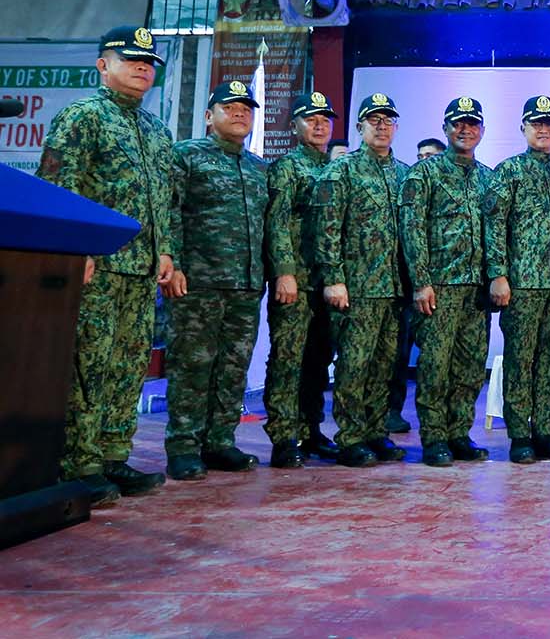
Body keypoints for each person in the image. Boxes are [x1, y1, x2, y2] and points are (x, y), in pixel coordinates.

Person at [37, 25, 175, 505]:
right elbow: (57, 189)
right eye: (131, 58)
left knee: (128, 366)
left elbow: (165, 200)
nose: (142, 67)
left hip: (140, 269)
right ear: (103, 64)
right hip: (97, 266)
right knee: (87, 366)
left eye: (149, 62)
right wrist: (75, 251)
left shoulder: (156, 130)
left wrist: (166, 250)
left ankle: (114, 455)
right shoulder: (82, 117)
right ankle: (80, 463)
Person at [161, 81, 269, 480]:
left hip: (244, 285)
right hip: (197, 283)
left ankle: (221, 441)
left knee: (232, 367)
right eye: (230, 106)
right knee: (192, 365)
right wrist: (173, 263)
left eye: (246, 108)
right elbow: (169, 210)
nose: (240, 113)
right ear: (209, 116)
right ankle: (184, 445)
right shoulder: (187, 157)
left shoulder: (258, 169)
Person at [314, 93, 411, 467]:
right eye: (374, 120)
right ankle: (351, 437)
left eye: (388, 120)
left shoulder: (404, 174)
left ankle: (375, 431)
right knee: (354, 365)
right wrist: (334, 279)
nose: (382, 126)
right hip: (357, 288)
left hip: (395, 288)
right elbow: (327, 230)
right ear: (359, 127)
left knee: (387, 365)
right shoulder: (342, 171)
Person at [399, 97, 494, 467]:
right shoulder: (424, 174)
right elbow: (412, 230)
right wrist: (421, 281)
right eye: (458, 123)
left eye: (472, 124)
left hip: (476, 291)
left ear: (481, 130)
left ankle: (459, 433)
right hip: (439, 287)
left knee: (470, 368)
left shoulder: (488, 177)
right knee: (435, 367)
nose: (465, 129)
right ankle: (434, 437)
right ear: (445, 128)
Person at [487, 95, 550, 464]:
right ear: (523, 128)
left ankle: (543, 429)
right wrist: (498, 274)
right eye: (536, 123)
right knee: (519, 360)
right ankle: (519, 434)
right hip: (522, 284)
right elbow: (494, 226)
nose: (543, 129)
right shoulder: (508, 171)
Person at [263, 91, 340, 468]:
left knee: (318, 360)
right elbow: (276, 223)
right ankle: (283, 437)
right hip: (297, 280)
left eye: (325, 119)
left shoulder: (337, 169)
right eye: (311, 118)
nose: (320, 124)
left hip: (329, 282)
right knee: (288, 360)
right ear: (295, 125)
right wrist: (284, 272)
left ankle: (311, 431)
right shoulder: (287, 168)